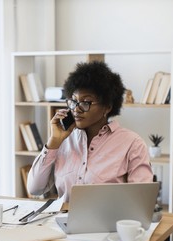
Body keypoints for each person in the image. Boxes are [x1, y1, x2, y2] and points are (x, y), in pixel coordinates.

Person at [27, 60, 153, 202]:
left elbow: (141, 200)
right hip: (63, 221)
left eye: (86, 102)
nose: (76, 109)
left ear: (107, 107)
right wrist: (53, 142)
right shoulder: (63, 140)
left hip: (108, 222)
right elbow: (34, 189)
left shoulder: (132, 144)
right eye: (73, 101)